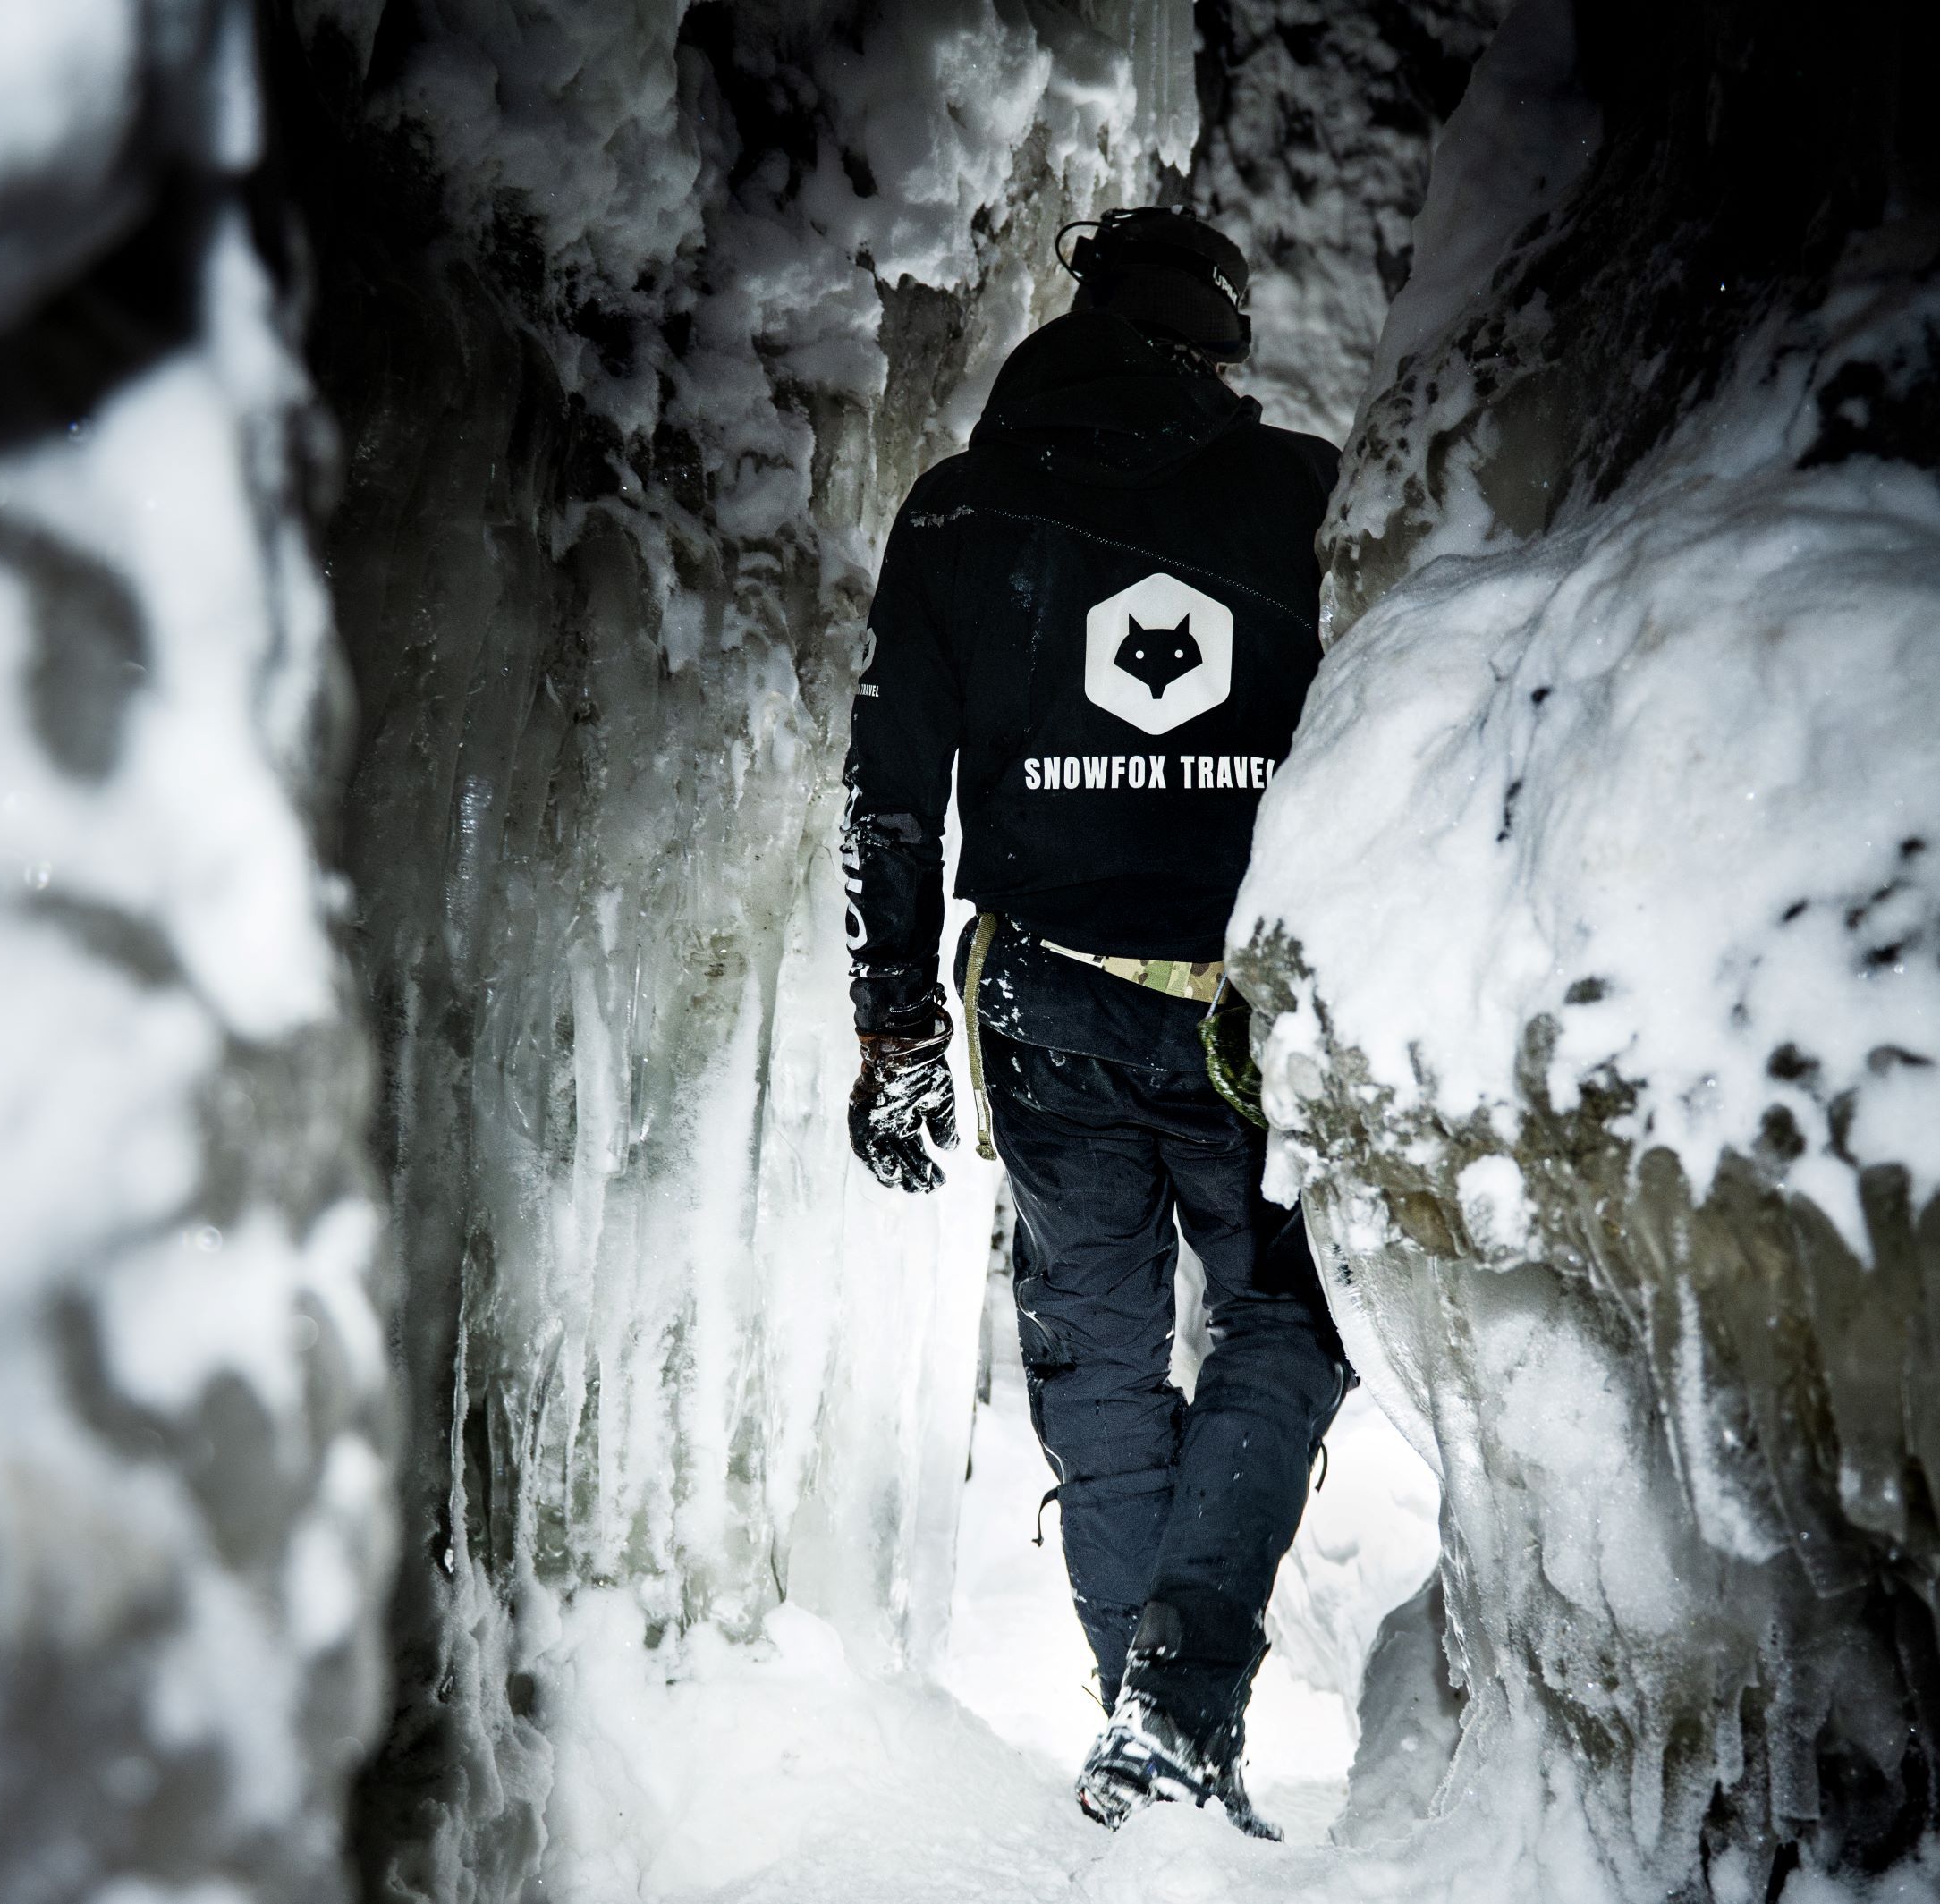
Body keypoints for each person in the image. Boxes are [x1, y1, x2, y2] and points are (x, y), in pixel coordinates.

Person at [839, 207, 1351, 1838]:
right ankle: (1182, 1702)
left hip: (1043, 1002)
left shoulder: (962, 505)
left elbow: (891, 795)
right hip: (1242, 1017)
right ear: (1218, 338)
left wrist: (897, 1025)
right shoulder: (1304, 497)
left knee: (1100, 1357)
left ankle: (1150, 1729)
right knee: (1289, 1315)